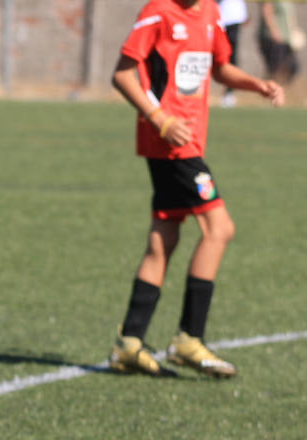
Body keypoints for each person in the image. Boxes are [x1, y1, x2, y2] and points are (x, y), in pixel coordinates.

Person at [108, 0, 284, 378]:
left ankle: (129, 343)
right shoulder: (158, 11)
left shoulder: (210, 13)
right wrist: (159, 118)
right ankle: (190, 338)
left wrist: (256, 84)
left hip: (187, 140)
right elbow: (122, 75)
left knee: (164, 237)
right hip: (171, 142)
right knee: (219, 229)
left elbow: (219, 67)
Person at [258, 1, 302, 85]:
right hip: (273, 38)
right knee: (274, 67)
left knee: (293, 66)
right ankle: (269, 87)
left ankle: (283, 87)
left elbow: (289, 16)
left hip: (286, 38)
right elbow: (266, 12)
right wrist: (274, 32)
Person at [220, 0, 249, 105]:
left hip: (233, 18)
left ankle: (229, 93)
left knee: (231, 57)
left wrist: (244, 13)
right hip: (218, 16)